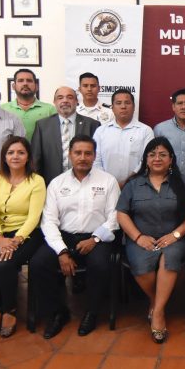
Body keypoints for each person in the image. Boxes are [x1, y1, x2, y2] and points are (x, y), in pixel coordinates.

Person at [29, 135, 119, 338]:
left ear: (95, 156)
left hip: (97, 237)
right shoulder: (56, 183)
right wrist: (61, 251)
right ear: (70, 155)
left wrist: (95, 239)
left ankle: (91, 313)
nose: (83, 157)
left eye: (88, 153)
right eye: (78, 153)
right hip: (64, 237)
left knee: (100, 265)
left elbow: (115, 217)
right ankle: (57, 312)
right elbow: (49, 221)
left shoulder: (107, 181)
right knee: (38, 264)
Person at [116, 137, 185, 344]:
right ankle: (156, 301)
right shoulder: (134, 184)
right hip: (141, 239)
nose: (157, 158)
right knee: (141, 266)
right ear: (145, 159)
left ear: (171, 159)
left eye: (163, 154)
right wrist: (137, 236)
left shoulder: (183, 181)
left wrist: (176, 235)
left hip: (175, 238)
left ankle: (158, 313)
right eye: (152, 154)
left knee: (169, 258)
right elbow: (121, 214)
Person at [0, 136, 46, 338]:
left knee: (4, 265)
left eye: (20, 152)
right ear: (4, 157)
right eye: (10, 152)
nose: (15, 156)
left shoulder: (37, 181)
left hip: (26, 234)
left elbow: (34, 217)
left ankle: (9, 310)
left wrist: (16, 240)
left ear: (28, 157)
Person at [31, 86, 100, 184]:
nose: (65, 101)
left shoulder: (92, 125)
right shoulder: (42, 126)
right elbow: (35, 159)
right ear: (54, 102)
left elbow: (97, 158)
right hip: (51, 183)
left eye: (70, 97)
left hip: (86, 183)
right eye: (60, 98)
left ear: (77, 101)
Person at [93, 89, 154, 188]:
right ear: (112, 108)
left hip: (137, 185)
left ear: (134, 107)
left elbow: (147, 160)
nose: (123, 106)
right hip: (105, 186)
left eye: (127, 103)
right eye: (118, 103)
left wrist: (128, 181)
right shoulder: (101, 131)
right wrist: (109, 183)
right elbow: (96, 160)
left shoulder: (146, 131)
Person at [0, 69, 57, 141]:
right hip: (13, 152)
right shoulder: (2, 109)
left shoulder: (50, 110)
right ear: (13, 86)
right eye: (20, 80)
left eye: (29, 81)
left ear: (36, 86)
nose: (25, 84)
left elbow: (56, 137)